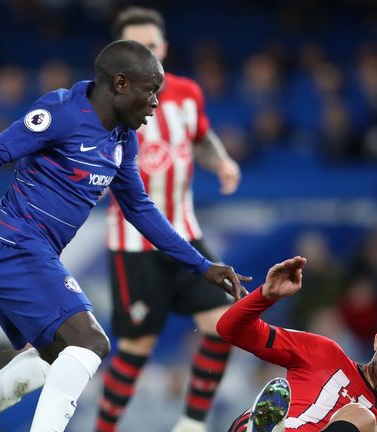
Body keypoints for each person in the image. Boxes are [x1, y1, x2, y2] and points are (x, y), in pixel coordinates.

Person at [0, 40, 250, 432]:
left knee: (56, 361)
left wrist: (201, 265)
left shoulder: (123, 141)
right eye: (151, 91)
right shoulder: (62, 111)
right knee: (92, 343)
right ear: (122, 84)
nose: (156, 104)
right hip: (10, 247)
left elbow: (140, 209)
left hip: (21, 252)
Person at [97, 7, 242, 432]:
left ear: (165, 48)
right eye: (137, 47)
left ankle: (193, 424)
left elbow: (199, 137)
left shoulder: (187, 93)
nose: (148, 53)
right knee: (137, 346)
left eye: (153, 45)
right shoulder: (104, 100)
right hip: (133, 243)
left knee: (224, 323)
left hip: (185, 234)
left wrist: (222, 162)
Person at [219, 257, 377, 432]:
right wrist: (265, 295)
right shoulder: (323, 353)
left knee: (362, 417)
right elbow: (231, 330)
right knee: (361, 416)